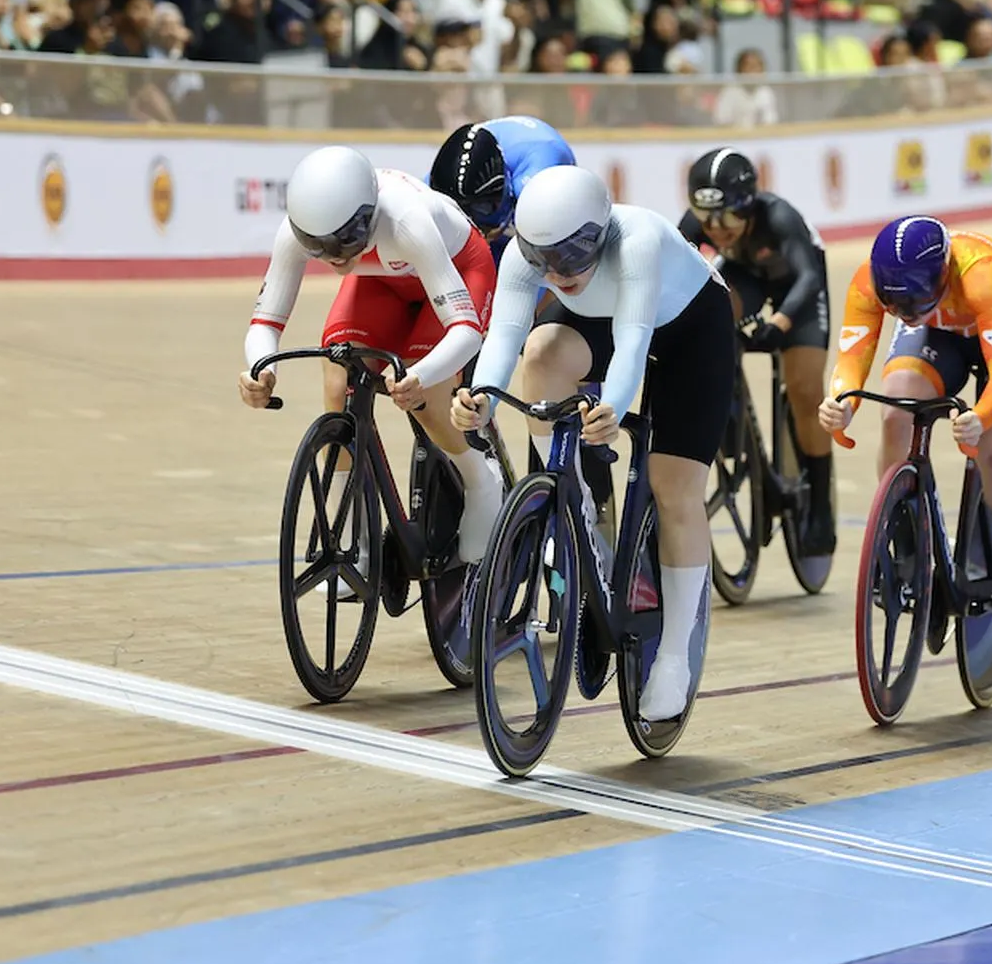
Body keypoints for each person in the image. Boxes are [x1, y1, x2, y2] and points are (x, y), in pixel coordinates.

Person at [452, 166, 735, 722]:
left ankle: (675, 654)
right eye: (544, 260)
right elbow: (506, 334)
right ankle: (568, 505)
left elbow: (633, 342)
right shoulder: (528, 255)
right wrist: (480, 395)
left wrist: (614, 405)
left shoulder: (638, 240)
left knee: (674, 487)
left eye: (574, 254)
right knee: (542, 354)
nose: (560, 271)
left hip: (688, 329)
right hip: (603, 321)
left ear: (601, 231)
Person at [237, 147, 507, 590]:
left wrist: (421, 373)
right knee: (338, 371)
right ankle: (349, 541)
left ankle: (481, 482)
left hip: (458, 268)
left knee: (427, 396)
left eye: (344, 242)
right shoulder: (298, 231)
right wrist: (258, 369)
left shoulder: (407, 221)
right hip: (382, 280)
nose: (333, 256)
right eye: (318, 247)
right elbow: (265, 322)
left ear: (368, 215)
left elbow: (465, 333)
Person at [817, 217, 992, 628]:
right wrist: (842, 403)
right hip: (941, 330)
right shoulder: (872, 283)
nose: (903, 314)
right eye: (896, 306)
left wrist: (981, 416)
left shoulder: (983, 275)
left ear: (943, 274)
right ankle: (907, 540)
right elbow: (852, 356)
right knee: (895, 413)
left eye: (913, 301)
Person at [679, 146, 836, 554]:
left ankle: (819, 502)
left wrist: (779, 325)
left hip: (797, 289)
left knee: (804, 389)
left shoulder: (778, 217)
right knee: (714, 316)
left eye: (728, 217)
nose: (717, 229)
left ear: (749, 207)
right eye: (706, 219)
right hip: (747, 278)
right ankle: (729, 409)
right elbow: (678, 277)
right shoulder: (697, 226)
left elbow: (808, 279)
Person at [427, 115, 576, 255]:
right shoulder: (429, 189)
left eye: (481, 208)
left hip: (541, 168)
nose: (472, 226)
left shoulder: (536, 178)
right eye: (459, 212)